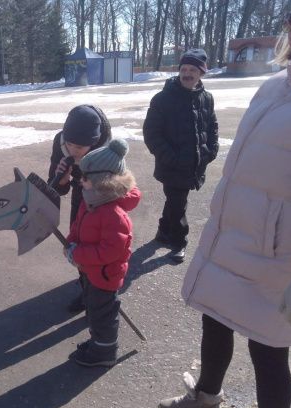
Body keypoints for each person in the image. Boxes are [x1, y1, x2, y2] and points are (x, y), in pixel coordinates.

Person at [158, 2, 291, 408]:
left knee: (268, 349)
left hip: (281, 254)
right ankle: (204, 402)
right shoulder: (272, 86)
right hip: (234, 236)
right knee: (215, 317)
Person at [63, 138, 141, 367]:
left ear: (100, 181)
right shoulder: (91, 201)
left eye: (84, 177)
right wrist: (71, 243)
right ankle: (99, 342)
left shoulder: (114, 215)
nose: (80, 180)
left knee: (102, 315)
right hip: (91, 271)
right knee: (93, 310)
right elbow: (78, 226)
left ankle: (105, 351)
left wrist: (78, 254)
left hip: (105, 275)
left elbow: (110, 252)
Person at [143, 48, 219, 262]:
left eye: (192, 69)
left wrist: (211, 151)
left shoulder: (207, 98)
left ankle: (163, 231)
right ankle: (179, 242)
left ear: (201, 73)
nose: (187, 73)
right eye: (183, 69)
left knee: (175, 200)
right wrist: (171, 158)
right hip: (172, 166)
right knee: (178, 203)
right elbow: (151, 133)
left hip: (196, 164)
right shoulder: (162, 99)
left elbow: (212, 125)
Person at [48, 105, 112, 313]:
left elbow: (117, 188)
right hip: (79, 191)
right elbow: (55, 187)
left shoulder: (107, 149)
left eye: (80, 147)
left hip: (103, 200)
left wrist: (91, 183)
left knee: (97, 246)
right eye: (70, 144)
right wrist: (62, 180)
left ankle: (97, 293)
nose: (73, 150)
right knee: (78, 241)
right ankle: (86, 287)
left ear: (93, 143)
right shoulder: (61, 142)